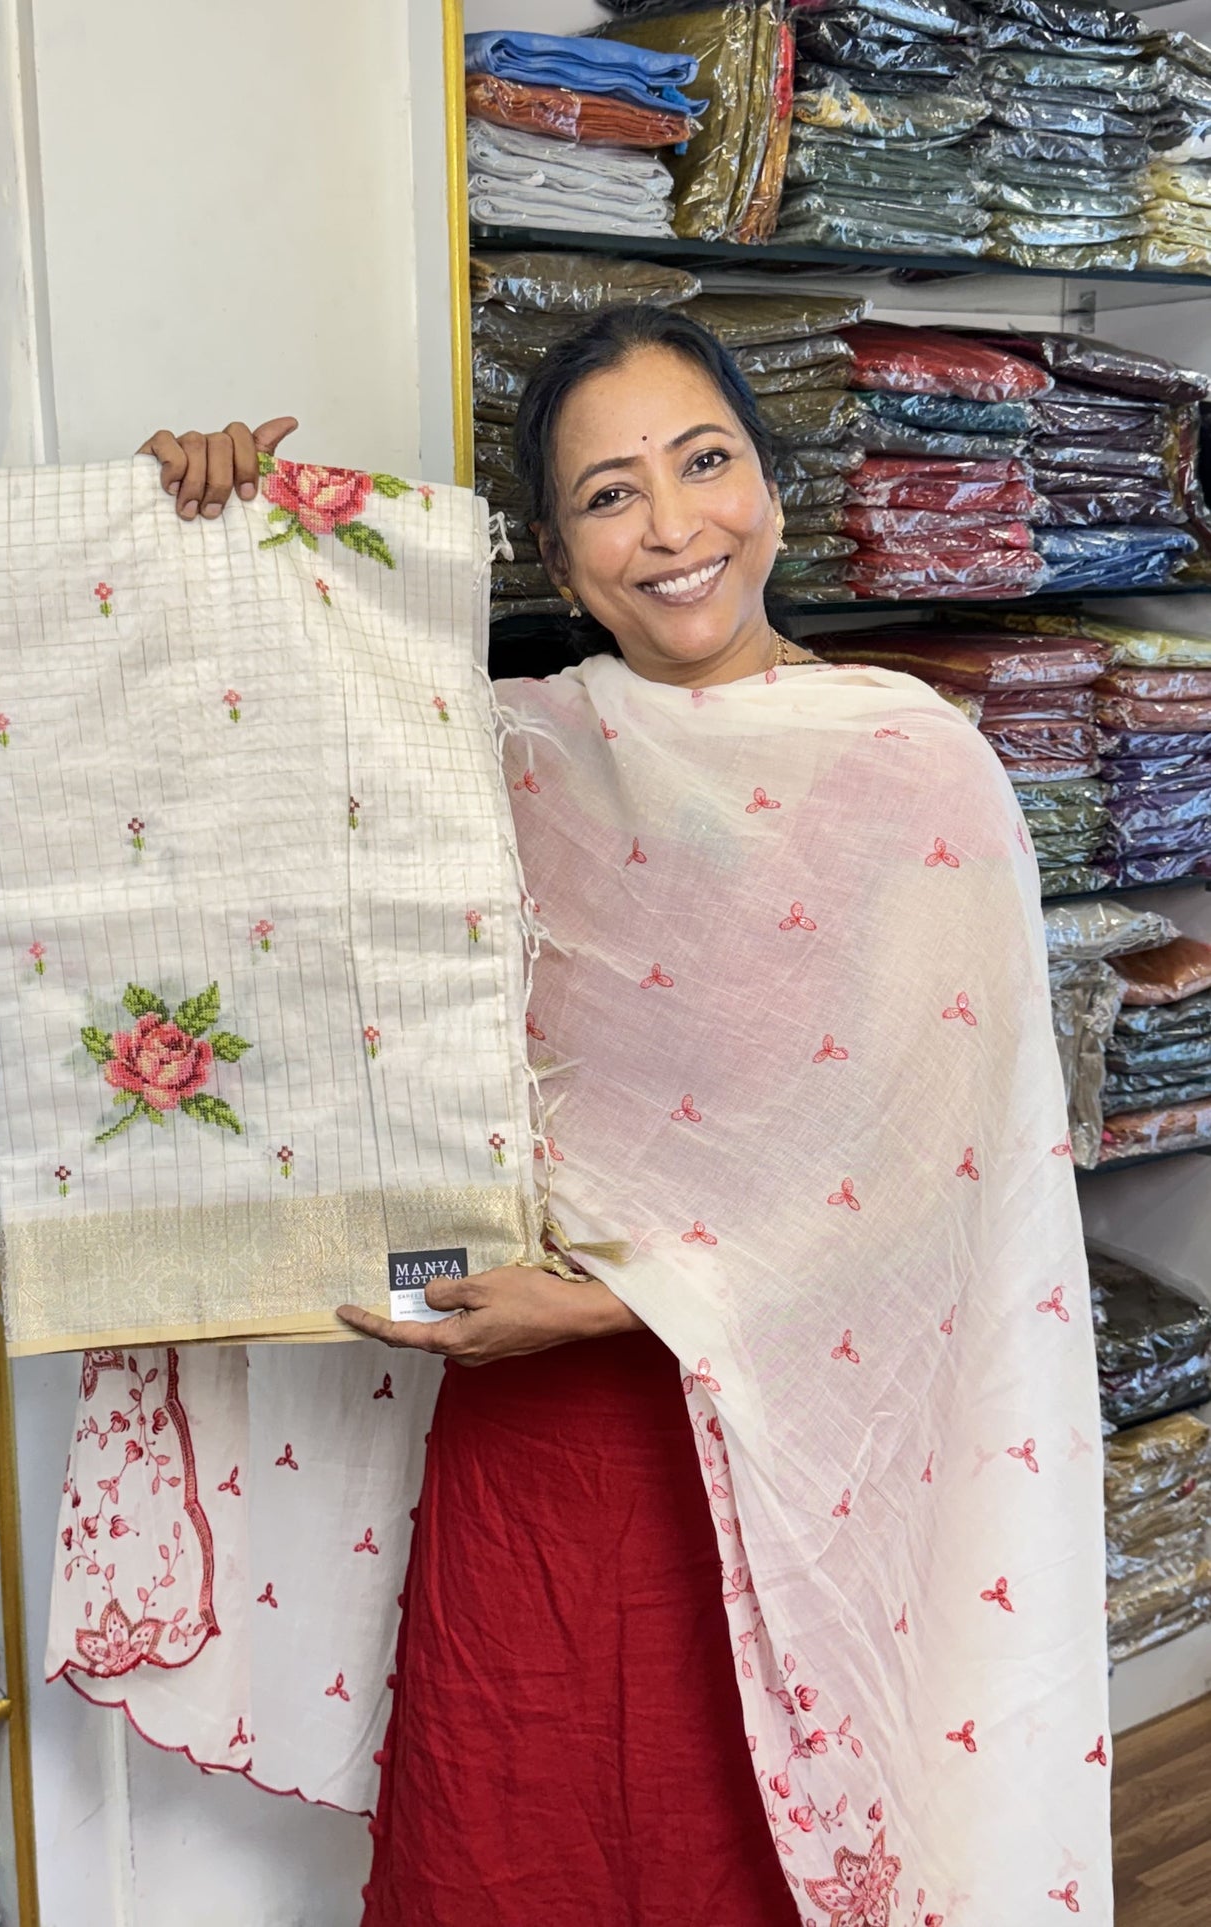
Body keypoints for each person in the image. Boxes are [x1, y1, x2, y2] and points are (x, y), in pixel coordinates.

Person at [142, 305, 1112, 1926]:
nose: (669, 527)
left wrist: (601, 1305)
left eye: (702, 462)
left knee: (731, 1853)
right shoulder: (511, 753)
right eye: (608, 494)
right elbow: (257, 795)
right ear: (554, 554)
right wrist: (211, 530)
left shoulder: (908, 769)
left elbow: (927, 1186)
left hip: (782, 1452)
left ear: (771, 489)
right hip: (532, 1441)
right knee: (506, 1840)